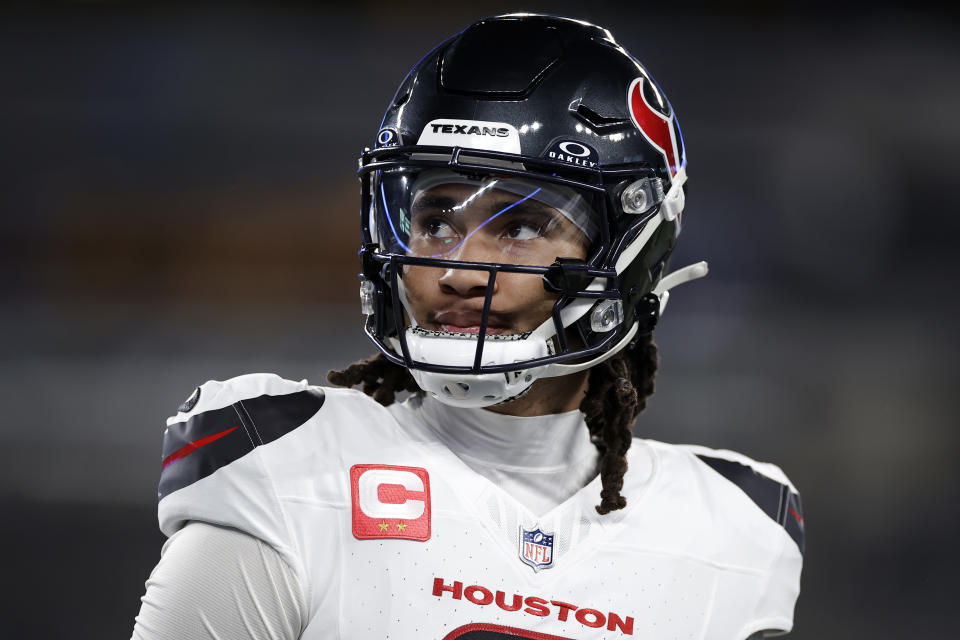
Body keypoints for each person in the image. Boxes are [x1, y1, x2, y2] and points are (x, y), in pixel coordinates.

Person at [132, 13, 803, 640]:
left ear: (633, 248)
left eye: (519, 227)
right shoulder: (286, 473)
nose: (457, 269)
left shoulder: (733, 531)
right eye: (436, 221)